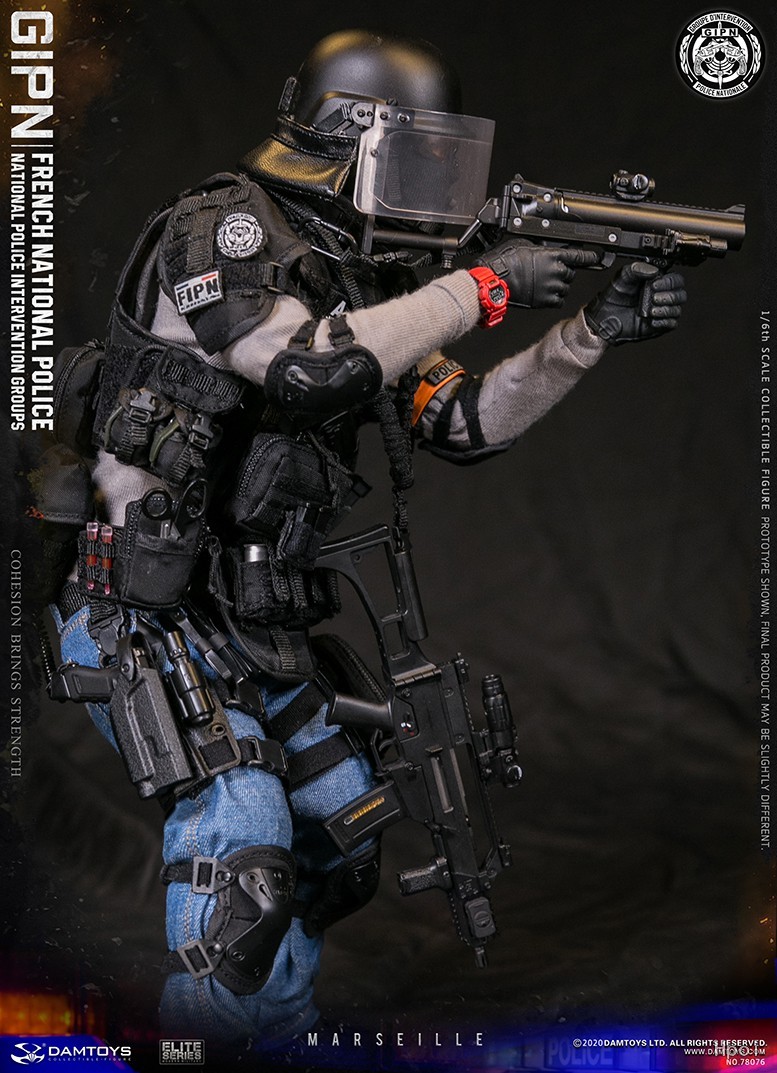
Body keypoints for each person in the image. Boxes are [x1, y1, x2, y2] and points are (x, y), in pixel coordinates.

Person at [45, 29, 687, 1049]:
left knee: (337, 843)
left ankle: (275, 1033)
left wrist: (588, 332)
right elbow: (306, 369)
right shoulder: (220, 231)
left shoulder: (365, 279)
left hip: (254, 622)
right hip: (141, 606)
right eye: (422, 159)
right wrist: (484, 288)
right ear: (352, 141)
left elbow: (464, 421)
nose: (440, 190)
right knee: (242, 840)